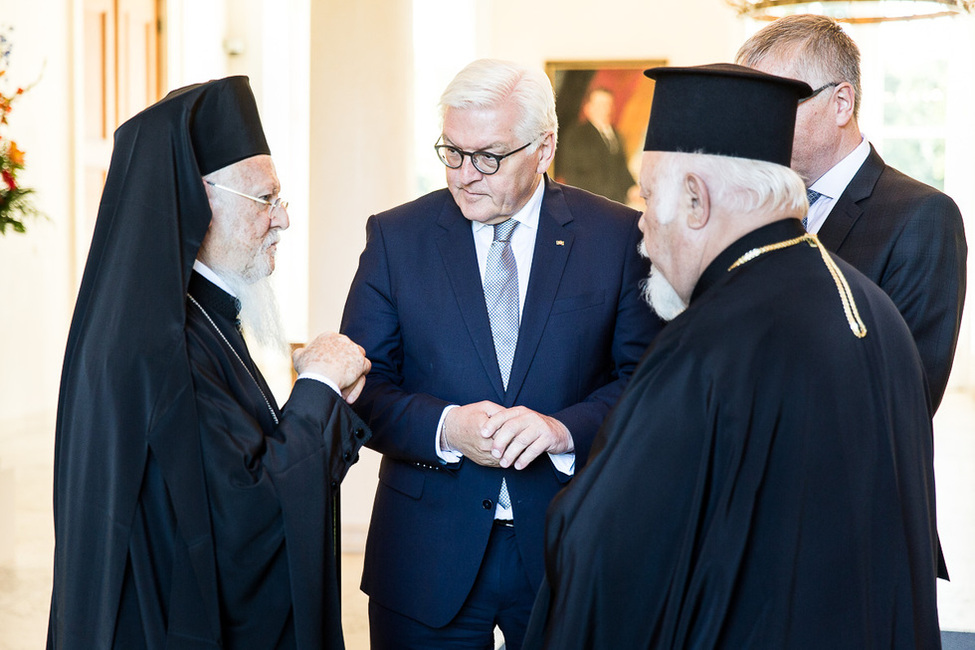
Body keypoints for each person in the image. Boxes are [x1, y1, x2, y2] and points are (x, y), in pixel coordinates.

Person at [524, 63, 941, 649]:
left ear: (695, 199)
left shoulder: (708, 344)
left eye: (648, 199)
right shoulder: (871, 308)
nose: (641, 228)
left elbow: (607, 548)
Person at [340, 58, 661, 649]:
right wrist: (444, 428)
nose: (464, 175)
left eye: (488, 156)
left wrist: (561, 431)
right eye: (452, 152)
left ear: (544, 148)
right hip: (424, 554)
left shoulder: (618, 237)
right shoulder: (395, 238)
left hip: (568, 549)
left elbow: (645, 382)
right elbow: (363, 386)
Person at [49, 76, 372, 649]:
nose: (284, 219)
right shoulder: (165, 348)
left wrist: (319, 402)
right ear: (198, 203)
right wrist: (318, 385)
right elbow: (243, 521)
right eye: (265, 199)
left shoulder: (181, 317)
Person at [735, 14, 967, 416]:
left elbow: (908, 396)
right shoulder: (752, 210)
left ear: (841, 103)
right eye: (749, 106)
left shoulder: (922, 217)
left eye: (774, 104)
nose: (757, 123)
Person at [557, 87, 636, 203]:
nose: (606, 109)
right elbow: (572, 175)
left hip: (618, 205)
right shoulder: (576, 136)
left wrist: (632, 188)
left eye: (609, 104)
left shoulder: (616, 135)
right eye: (601, 105)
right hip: (591, 204)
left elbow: (622, 169)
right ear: (587, 108)